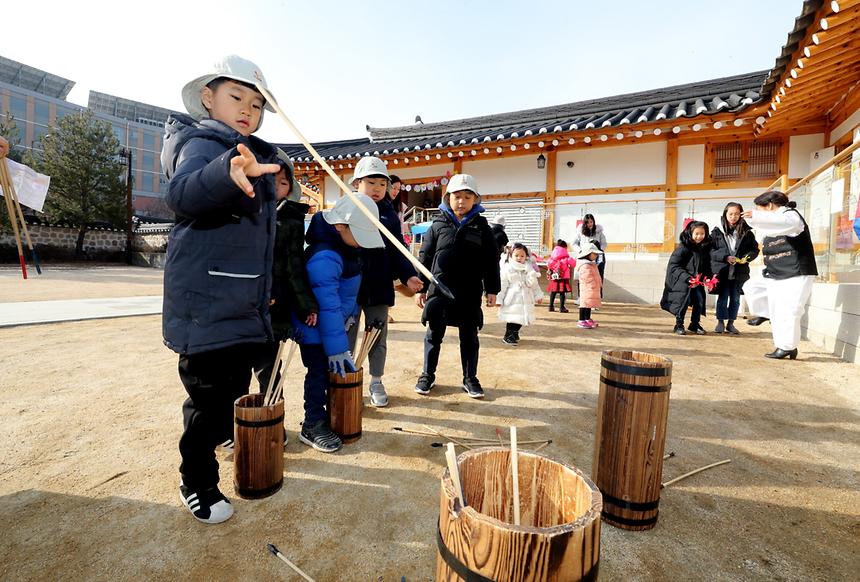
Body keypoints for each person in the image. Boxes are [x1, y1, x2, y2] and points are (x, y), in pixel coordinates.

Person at [161, 55, 282, 524]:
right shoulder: (202, 144)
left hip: (242, 303)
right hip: (206, 307)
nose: (248, 109)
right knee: (208, 404)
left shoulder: (252, 153)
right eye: (236, 97)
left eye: (256, 103)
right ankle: (197, 481)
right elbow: (182, 195)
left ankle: (219, 446)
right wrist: (223, 174)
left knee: (233, 391)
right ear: (207, 97)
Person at [293, 193, 384, 451]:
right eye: (359, 236)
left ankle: (327, 418)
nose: (361, 244)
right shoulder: (326, 256)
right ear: (341, 226)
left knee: (329, 374)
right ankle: (312, 423)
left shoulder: (344, 248)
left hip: (331, 328)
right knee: (319, 374)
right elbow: (327, 304)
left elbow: (345, 296)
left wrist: (350, 316)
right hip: (314, 331)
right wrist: (336, 348)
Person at [414, 174, 501, 399]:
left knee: (469, 337)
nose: (461, 201)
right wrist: (421, 287)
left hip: (469, 291)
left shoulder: (483, 228)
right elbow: (425, 256)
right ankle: (427, 375)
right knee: (433, 335)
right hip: (439, 291)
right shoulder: (437, 225)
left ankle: (470, 378)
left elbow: (491, 259)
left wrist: (492, 289)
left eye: (466, 196)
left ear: (475, 200)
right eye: (456, 196)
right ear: (448, 198)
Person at [346, 158, 422, 407]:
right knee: (346, 334)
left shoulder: (389, 213)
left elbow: (398, 249)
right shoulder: (344, 209)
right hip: (348, 284)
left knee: (377, 334)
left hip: (378, 284)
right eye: (371, 182)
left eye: (382, 183)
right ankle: (344, 380)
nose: (377, 188)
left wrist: (408, 274)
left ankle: (376, 380)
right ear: (357, 183)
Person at [742, 190, 818, 360]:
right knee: (751, 287)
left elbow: (779, 222)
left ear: (769, 206)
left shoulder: (790, 216)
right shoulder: (770, 228)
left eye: (760, 209)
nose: (758, 212)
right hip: (777, 273)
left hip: (796, 271)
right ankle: (765, 312)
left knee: (790, 311)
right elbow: (767, 228)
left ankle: (787, 347)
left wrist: (756, 216)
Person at [709, 202, 759, 334]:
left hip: (739, 272)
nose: (733, 216)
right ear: (725, 215)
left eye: (737, 214)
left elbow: (754, 249)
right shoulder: (716, 232)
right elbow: (711, 251)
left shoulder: (747, 232)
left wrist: (746, 258)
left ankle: (731, 323)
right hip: (722, 272)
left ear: (741, 215)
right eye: (730, 214)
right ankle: (720, 322)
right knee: (723, 298)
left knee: (736, 299)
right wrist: (725, 257)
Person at [660, 220, 715, 336]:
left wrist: (708, 278)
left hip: (697, 282)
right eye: (697, 233)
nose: (699, 236)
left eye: (702, 234)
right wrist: (688, 278)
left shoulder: (704, 248)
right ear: (690, 233)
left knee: (699, 301)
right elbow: (674, 266)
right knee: (682, 303)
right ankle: (679, 324)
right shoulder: (683, 248)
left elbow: (707, 266)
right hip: (683, 282)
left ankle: (695, 324)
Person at [497, 243, 543, 345]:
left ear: (526, 256)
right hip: (513, 298)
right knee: (512, 319)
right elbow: (502, 285)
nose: (519, 258)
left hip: (526, 298)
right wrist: (499, 299)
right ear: (511, 255)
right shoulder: (507, 268)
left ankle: (515, 332)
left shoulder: (529, 268)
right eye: (516, 255)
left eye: (522, 256)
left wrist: (538, 295)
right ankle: (508, 336)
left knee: (522, 319)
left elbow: (534, 284)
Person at [574, 213, 608, 298]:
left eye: (591, 222)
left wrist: (599, 251)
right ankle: (581, 297)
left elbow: (604, 244)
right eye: (587, 222)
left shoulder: (599, 232)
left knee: (598, 277)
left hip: (597, 257)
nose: (590, 224)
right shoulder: (580, 232)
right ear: (584, 223)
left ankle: (597, 297)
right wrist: (580, 251)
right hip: (584, 257)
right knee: (583, 276)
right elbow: (574, 243)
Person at [574, 242, 603, 329]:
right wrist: (593, 284)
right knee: (584, 304)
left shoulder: (591, 264)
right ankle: (581, 320)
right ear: (588, 254)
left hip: (591, 288)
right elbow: (586, 278)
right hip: (587, 289)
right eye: (594, 254)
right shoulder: (584, 265)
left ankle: (587, 318)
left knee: (589, 305)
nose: (596, 256)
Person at [546, 239, 575, 312]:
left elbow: (548, 264)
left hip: (554, 278)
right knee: (562, 293)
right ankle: (562, 307)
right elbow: (574, 264)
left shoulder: (552, 258)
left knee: (553, 292)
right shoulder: (566, 258)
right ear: (565, 248)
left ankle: (551, 306)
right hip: (563, 278)